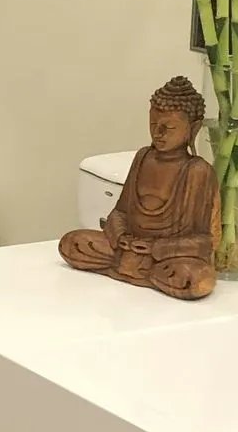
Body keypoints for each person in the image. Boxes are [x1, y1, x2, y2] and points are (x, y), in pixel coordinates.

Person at [59, 74, 220, 300]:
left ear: (193, 128)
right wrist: (121, 236)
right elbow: (120, 212)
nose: (158, 133)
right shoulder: (143, 157)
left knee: (194, 280)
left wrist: (157, 248)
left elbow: (207, 240)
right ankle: (136, 269)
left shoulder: (197, 171)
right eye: (153, 124)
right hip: (126, 249)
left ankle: (139, 269)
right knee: (71, 243)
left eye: (169, 127)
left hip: (167, 259)